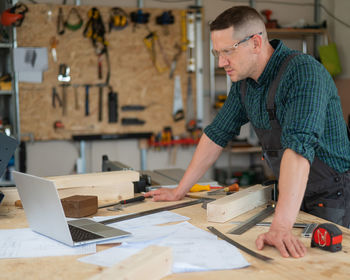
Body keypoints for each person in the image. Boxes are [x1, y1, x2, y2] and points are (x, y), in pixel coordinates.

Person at [145, 6, 350, 258]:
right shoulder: (245, 85)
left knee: (325, 266)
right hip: (292, 195)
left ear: (255, 43)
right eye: (216, 53)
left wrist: (281, 226)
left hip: (332, 197)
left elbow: (299, 147)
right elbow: (216, 134)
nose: (221, 62)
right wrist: (180, 190)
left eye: (227, 51)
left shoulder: (303, 73)